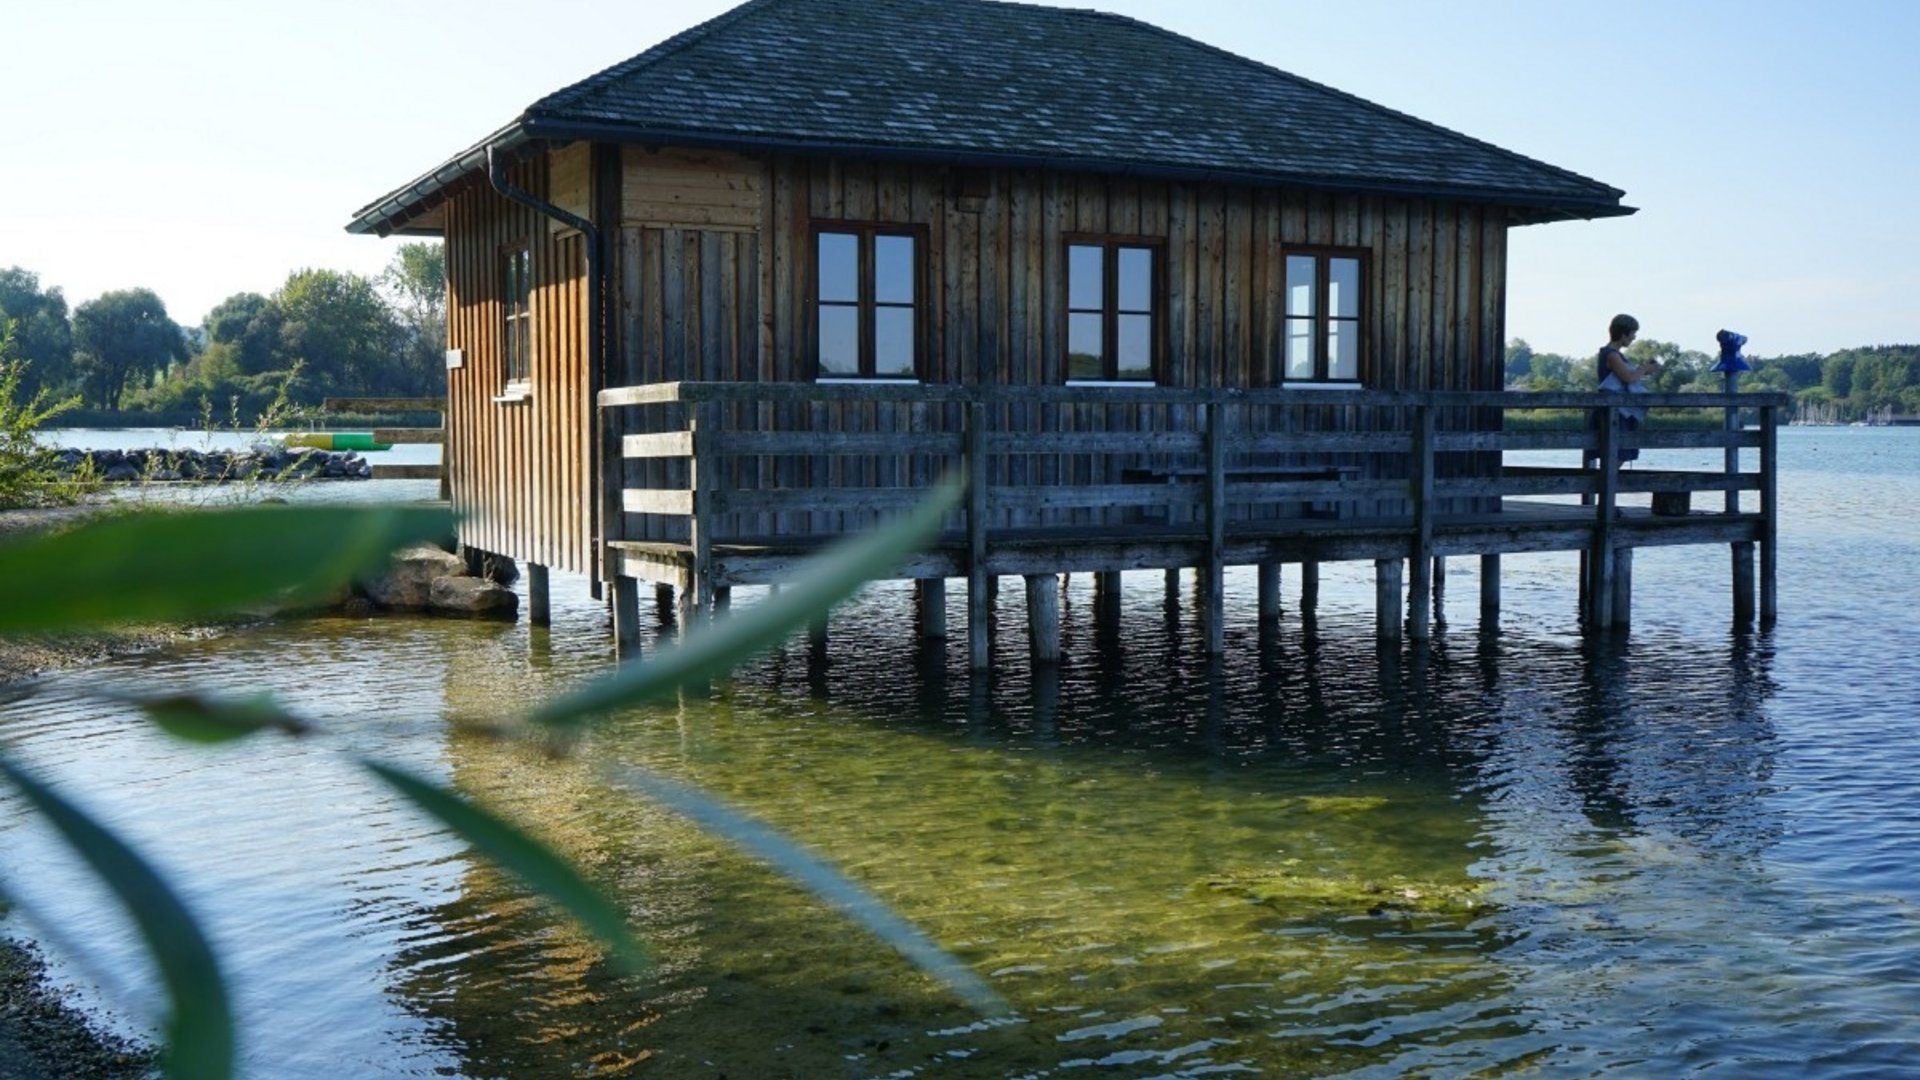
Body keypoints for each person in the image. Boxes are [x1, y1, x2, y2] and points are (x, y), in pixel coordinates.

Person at [1588, 313, 1661, 465]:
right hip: (1615, 413)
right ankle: (1605, 486)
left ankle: (1605, 486)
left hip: (1618, 411)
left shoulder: (1614, 354)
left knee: (1620, 453)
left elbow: (1629, 377)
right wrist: (1646, 368)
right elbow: (1627, 377)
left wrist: (1642, 369)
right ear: (1623, 334)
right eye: (1633, 333)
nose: (1634, 337)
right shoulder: (1612, 355)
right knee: (1618, 454)